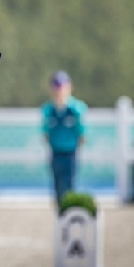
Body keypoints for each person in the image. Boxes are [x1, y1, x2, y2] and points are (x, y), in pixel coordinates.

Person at [41, 70, 87, 210]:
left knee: (70, 186)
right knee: (57, 186)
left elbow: (83, 134)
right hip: (56, 153)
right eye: (56, 86)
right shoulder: (48, 110)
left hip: (70, 154)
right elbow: (45, 134)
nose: (59, 90)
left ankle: (69, 212)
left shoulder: (76, 109)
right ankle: (60, 214)